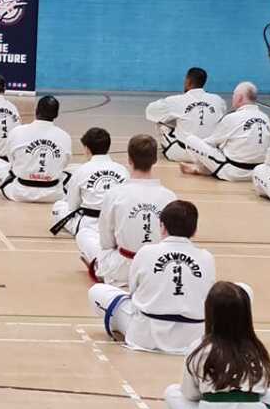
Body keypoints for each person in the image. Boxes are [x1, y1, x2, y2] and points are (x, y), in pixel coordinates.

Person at [89, 200, 215, 354]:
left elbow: (133, 292)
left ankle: (121, 326)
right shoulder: (207, 257)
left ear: (162, 227)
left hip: (146, 336)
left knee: (97, 291)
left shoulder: (146, 252)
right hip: (193, 340)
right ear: (195, 230)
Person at [76, 134, 176, 288]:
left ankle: (101, 269)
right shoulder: (170, 197)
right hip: (158, 268)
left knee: (84, 235)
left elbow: (106, 242)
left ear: (129, 159)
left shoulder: (115, 194)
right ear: (155, 160)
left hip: (122, 268)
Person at [167, 81, 270, 180]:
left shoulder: (232, 118)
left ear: (239, 98)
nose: (232, 98)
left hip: (233, 172)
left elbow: (211, 142)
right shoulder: (266, 118)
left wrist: (200, 152)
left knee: (191, 141)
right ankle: (202, 168)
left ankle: (199, 168)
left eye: (234, 95)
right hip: (256, 172)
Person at [0, 94, 74, 202]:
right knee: (75, 170)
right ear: (56, 114)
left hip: (20, 192)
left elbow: (12, 161)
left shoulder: (18, 131)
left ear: (36, 110)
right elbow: (64, 164)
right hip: (53, 194)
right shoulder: (65, 136)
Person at [49, 128, 125, 238]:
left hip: (88, 226)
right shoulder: (122, 170)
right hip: (116, 225)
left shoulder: (82, 170)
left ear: (87, 149)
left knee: (59, 206)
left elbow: (73, 206)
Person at [146, 67, 224, 154]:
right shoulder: (218, 100)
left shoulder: (176, 100)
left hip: (185, 153)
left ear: (188, 81)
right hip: (210, 152)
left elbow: (150, 111)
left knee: (161, 121)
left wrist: (173, 120)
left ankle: (171, 148)